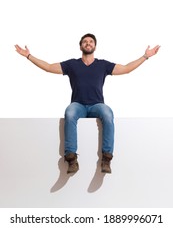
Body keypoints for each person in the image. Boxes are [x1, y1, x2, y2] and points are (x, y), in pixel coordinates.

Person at [15, 33, 160, 174]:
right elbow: (48, 67)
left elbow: (126, 68)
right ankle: (71, 159)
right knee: (69, 113)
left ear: (95, 46)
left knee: (108, 114)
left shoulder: (103, 65)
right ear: (80, 46)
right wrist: (28, 56)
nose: (88, 43)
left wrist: (145, 56)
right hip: (78, 104)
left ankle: (106, 158)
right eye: (85, 42)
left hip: (97, 105)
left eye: (91, 42)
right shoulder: (72, 64)